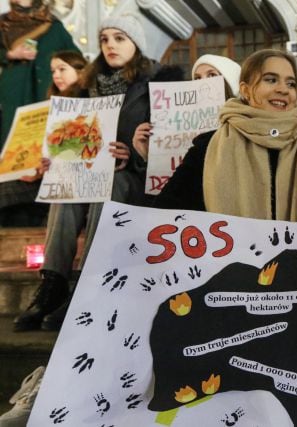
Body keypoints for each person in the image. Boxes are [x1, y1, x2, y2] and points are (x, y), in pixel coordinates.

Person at [12, 14, 184, 332]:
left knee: (110, 183)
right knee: (65, 191)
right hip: (90, 175)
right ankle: (54, 283)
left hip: (136, 179)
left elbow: (172, 143)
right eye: (105, 39)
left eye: (120, 38)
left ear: (136, 44)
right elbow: (71, 138)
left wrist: (132, 153)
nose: (110, 45)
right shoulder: (85, 86)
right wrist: (56, 160)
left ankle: (89, 285)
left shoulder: (162, 82)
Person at [154, 48, 297, 226]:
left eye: (291, 83)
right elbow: (169, 213)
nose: (283, 89)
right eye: (271, 80)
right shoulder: (207, 147)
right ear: (245, 90)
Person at [0, 50, 87, 227]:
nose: (56, 75)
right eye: (53, 71)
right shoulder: (51, 104)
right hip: (40, 175)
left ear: (80, 71)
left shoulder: (88, 102)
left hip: (63, 181)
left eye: (62, 69)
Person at [132, 53, 241, 163]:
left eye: (212, 75)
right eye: (197, 78)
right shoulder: (184, 125)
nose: (203, 82)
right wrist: (148, 155)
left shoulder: (243, 124)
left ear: (230, 83)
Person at [0, 0, 79, 149]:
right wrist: (10, 54)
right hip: (13, 93)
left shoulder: (53, 24)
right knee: (11, 145)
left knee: (45, 143)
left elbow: (75, 57)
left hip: (44, 92)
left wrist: (59, 68)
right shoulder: (3, 23)